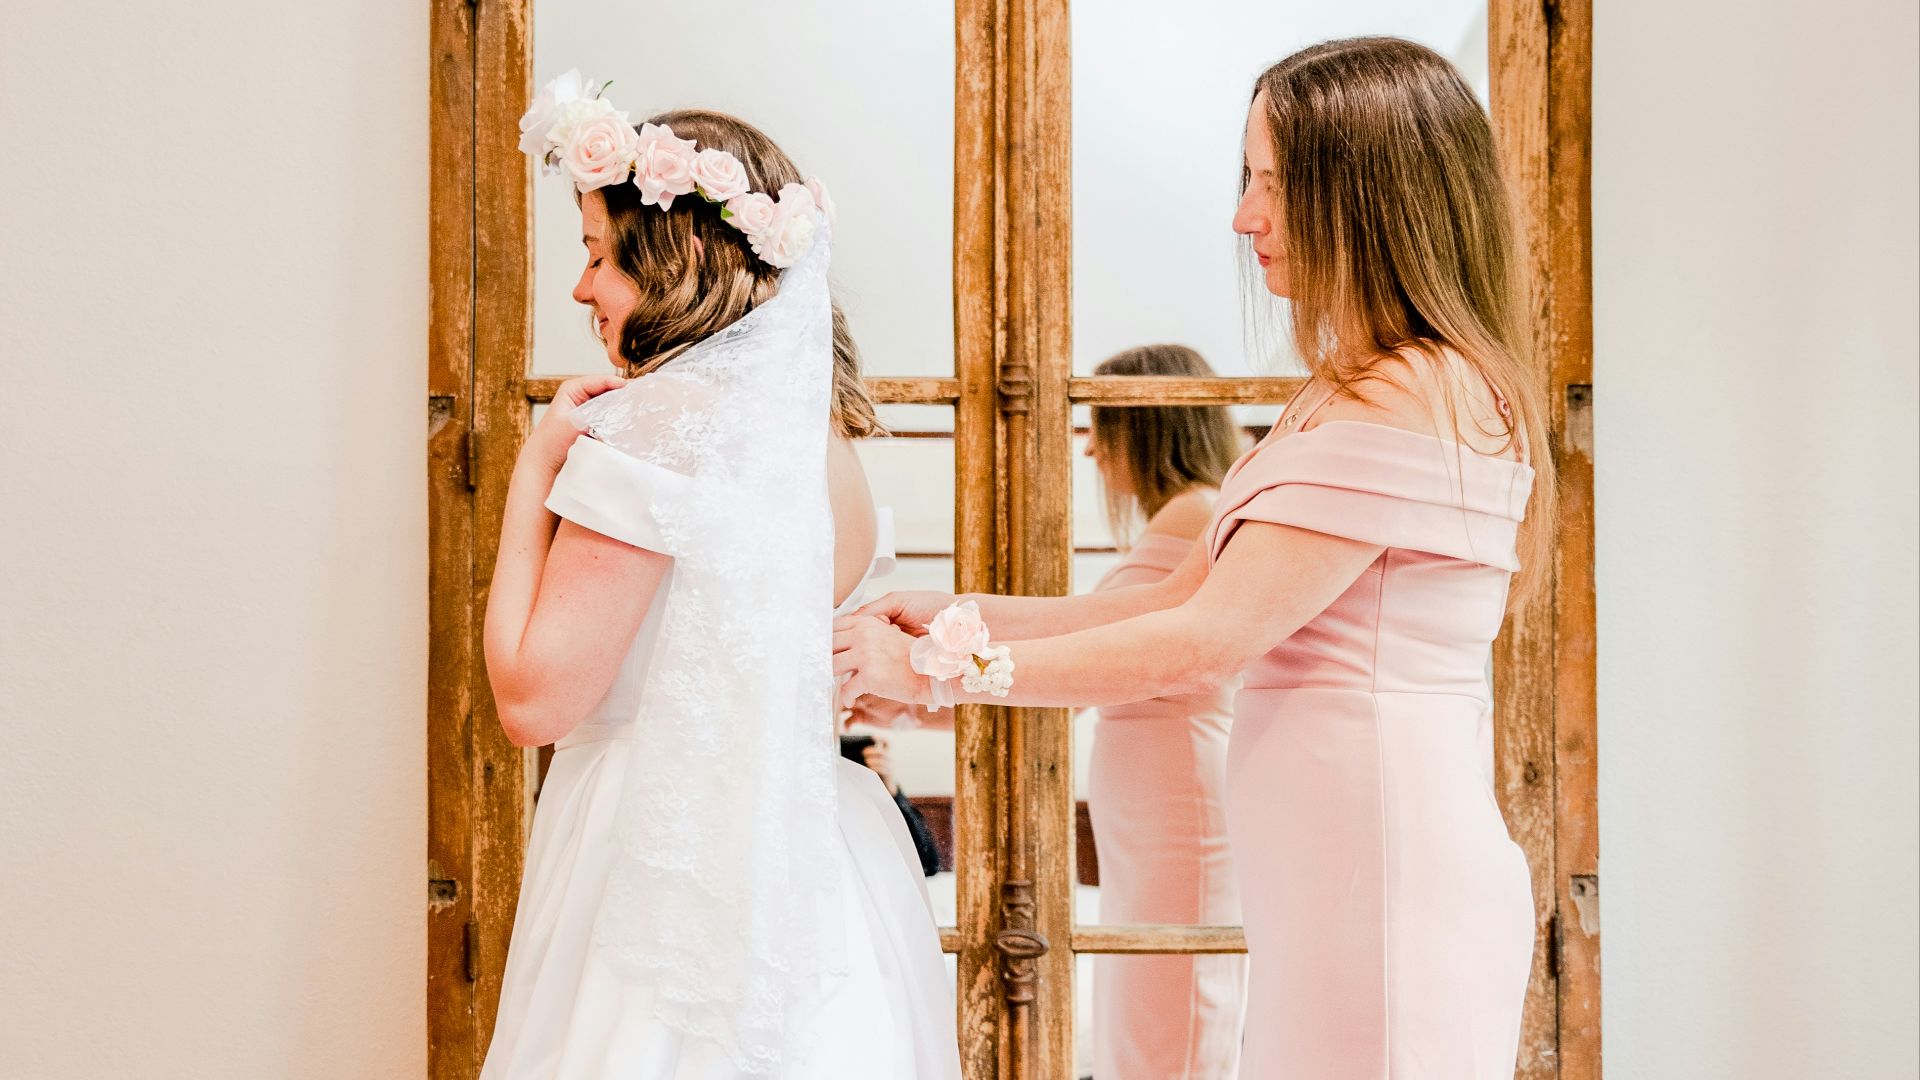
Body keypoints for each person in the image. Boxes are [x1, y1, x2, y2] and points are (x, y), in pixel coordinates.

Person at [835, 36, 1555, 1077]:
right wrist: (956, 613)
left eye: (1276, 182)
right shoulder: (1345, 388)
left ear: (1368, 193)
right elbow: (1176, 595)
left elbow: (1205, 644)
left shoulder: (1414, 390)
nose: (1245, 216)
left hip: (1389, 876)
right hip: (1334, 872)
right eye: (1247, 178)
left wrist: (944, 667)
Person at [479, 73, 960, 1079]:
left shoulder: (659, 431)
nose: (581, 290)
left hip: (660, 851)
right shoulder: (824, 442)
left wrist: (536, 467)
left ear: (674, 262)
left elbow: (532, 697)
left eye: (598, 257)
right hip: (820, 853)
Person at [1081, 344, 1249, 1080]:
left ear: (1144, 431)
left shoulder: (1194, 518)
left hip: (1176, 806)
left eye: (1100, 430)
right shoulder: (1183, 518)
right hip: (1157, 809)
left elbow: (1096, 647)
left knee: (1171, 1006)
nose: (1092, 452)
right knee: (1153, 998)